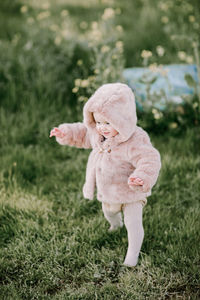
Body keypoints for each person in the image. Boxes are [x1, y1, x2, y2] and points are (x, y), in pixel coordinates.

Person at [50, 83, 161, 267]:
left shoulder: (135, 139)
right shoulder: (97, 133)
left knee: (133, 222)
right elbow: (82, 134)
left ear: (122, 119)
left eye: (108, 122)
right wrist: (66, 132)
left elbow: (149, 158)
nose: (102, 127)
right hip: (108, 189)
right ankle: (115, 225)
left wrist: (142, 176)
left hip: (132, 189)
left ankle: (132, 255)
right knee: (109, 212)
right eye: (98, 122)